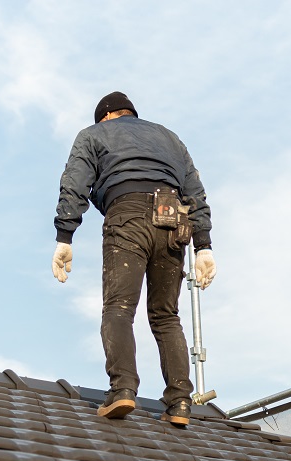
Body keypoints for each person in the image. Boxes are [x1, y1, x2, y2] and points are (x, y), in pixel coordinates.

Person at [51, 91, 216, 427]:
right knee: (166, 316)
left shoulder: (94, 134)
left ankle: (123, 389)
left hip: (127, 215)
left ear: (106, 117)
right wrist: (204, 246)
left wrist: (65, 236)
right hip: (174, 220)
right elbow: (194, 191)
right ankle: (181, 402)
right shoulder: (169, 137)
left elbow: (75, 182)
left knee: (119, 307)